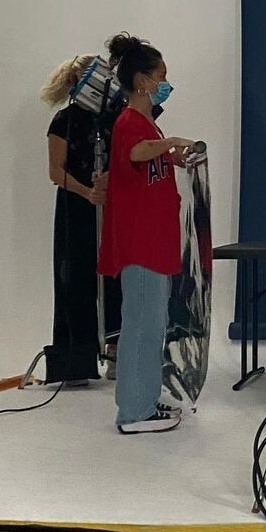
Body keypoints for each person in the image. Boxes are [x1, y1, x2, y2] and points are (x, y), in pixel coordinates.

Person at [97, 32, 194, 434]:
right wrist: (170, 143)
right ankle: (134, 412)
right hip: (140, 244)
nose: (165, 84)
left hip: (154, 242)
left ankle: (144, 399)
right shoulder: (130, 122)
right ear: (142, 80)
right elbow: (134, 153)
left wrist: (171, 157)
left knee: (152, 325)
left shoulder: (148, 126)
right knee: (141, 325)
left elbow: (146, 163)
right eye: (161, 76)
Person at [42, 55, 120, 384]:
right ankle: (77, 358)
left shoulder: (112, 119)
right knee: (76, 279)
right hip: (76, 208)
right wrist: (87, 191)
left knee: (116, 278)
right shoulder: (65, 120)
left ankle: (116, 351)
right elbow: (55, 171)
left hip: (113, 207)